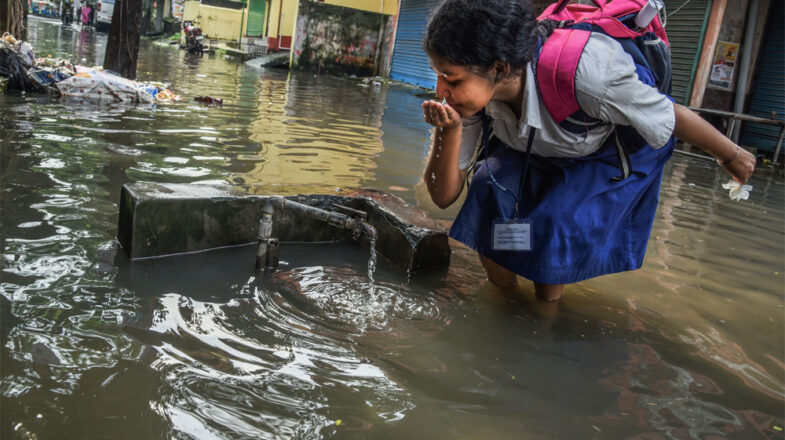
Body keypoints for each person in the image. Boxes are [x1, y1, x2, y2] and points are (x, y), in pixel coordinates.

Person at [420, 0, 755, 302]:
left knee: (557, 219)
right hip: (528, 147)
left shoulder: (587, 73)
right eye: (438, 76)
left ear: (500, 68)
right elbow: (443, 195)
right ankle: (504, 297)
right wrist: (448, 131)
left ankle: (545, 310)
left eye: (451, 78)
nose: (441, 91)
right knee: (487, 190)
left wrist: (731, 155)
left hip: (597, 153)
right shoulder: (474, 98)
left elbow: (668, 115)